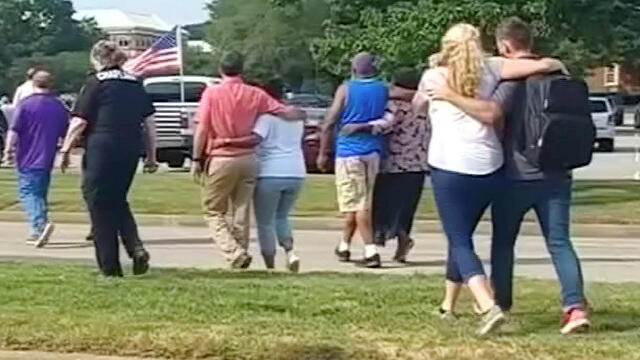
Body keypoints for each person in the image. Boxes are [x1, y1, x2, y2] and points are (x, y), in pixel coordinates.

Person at [414, 23, 568, 335]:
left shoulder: (434, 77)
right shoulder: (493, 68)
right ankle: (447, 304)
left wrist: (438, 87)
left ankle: (487, 305)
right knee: (462, 235)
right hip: (490, 167)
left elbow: (418, 106)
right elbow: (541, 64)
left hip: (450, 167)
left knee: (459, 239)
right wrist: (556, 64)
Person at [192, 52, 306, 270]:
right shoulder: (255, 94)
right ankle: (241, 251)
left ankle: (234, 252)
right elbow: (283, 111)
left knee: (213, 210)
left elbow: (203, 128)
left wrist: (197, 158)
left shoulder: (212, 93)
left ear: (220, 69)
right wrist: (300, 113)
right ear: (242, 69)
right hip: (248, 159)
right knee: (241, 209)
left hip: (221, 156)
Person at [60, 40, 158, 277]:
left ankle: (109, 267)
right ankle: (135, 248)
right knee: (116, 199)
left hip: (102, 147)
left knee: (98, 204)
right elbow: (149, 124)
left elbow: (79, 121)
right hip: (130, 149)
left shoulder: (96, 83)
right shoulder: (135, 83)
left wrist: (65, 151)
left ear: (97, 59)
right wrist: (151, 156)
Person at [339, 68, 427, 263]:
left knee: (381, 204)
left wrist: (360, 126)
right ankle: (402, 243)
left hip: (393, 164)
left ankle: (376, 239)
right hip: (418, 164)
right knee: (406, 209)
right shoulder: (425, 104)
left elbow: (385, 124)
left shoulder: (394, 105)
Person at [317, 52, 389, 268]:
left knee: (358, 204)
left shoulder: (346, 88)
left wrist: (323, 151)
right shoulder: (382, 88)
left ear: (354, 68)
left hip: (349, 151)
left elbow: (330, 121)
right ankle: (344, 246)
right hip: (373, 151)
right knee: (359, 201)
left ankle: (370, 251)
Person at [1, 70, 69, 247]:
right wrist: (66, 152)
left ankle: (39, 225)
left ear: (33, 83)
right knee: (39, 193)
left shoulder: (25, 105)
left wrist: (8, 150)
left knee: (27, 192)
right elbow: (66, 132)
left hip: (27, 155)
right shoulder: (58, 106)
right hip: (47, 155)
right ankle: (39, 225)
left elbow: (14, 129)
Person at [250, 78, 305, 271]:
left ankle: (270, 264)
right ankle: (290, 252)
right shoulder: (296, 117)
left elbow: (255, 139)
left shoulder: (266, 118)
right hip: (296, 171)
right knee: (282, 216)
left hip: (270, 172)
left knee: (265, 221)